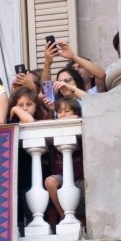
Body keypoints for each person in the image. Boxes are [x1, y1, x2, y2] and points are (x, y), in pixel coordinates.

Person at [45, 96, 84, 224]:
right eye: (59, 111)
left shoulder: (80, 124)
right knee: (50, 182)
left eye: (67, 111)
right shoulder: (54, 127)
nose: (62, 114)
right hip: (62, 177)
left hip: (82, 178)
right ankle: (63, 215)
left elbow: (77, 118)